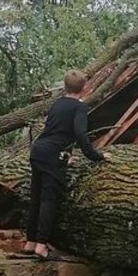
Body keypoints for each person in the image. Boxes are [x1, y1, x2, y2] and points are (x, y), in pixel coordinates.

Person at [23, 69, 111, 260]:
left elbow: (58, 131)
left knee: (36, 198)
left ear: (64, 86)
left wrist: (65, 157)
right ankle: (41, 245)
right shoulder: (79, 107)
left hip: (39, 150)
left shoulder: (58, 104)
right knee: (48, 200)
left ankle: (30, 242)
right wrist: (97, 156)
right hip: (51, 154)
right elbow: (79, 134)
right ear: (85, 88)